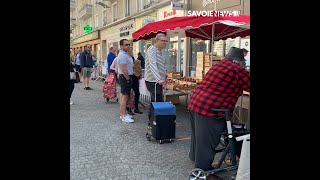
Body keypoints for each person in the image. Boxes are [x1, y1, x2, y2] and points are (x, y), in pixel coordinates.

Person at [188, 47, 250, 180]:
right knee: (207, 142)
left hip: (196, 103)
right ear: (238, 61)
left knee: (199, 139)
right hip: (211, 109)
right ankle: (203, 172)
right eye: (243, 61)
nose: (243, 64)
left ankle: (196, 159)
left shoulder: (219, 65)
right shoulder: (237, 69)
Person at [144, 33, 168, 119]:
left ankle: (153, 120)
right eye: (163, 41)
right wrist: (159, 79)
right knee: (158, 102)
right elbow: (153, 65)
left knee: (155, 102)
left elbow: (160, 65)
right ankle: (156, 121)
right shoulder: (152, 50)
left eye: (166, 41)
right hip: (153, 82)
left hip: (157, 81)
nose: (165, 43)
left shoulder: (159, 51)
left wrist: (164, 74)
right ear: (157, 41)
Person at [118, 39, 134, 123]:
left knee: (123, 96)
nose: (128, 46)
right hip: (125, 77)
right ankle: (123, 115)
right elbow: (124, 69)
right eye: (126, 45)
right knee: (124, 97)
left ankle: (122, 114)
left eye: (129, 44)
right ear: (121, 46)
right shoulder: (123, 55)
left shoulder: (125, 54)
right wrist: (128, 79)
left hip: (125, 77)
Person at [128, 47, 143, 114]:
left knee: (137, 93)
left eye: (132, 51)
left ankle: (136, 108)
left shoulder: (132, 57)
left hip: (135, 77)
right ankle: (128, 108)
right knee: (128, 94)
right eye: (131, 51)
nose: (132, 52)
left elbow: (135, 67)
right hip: (129, 77)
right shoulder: (126, 57)